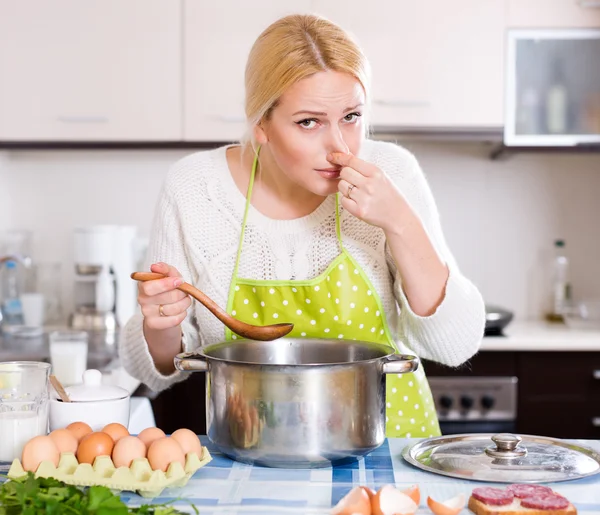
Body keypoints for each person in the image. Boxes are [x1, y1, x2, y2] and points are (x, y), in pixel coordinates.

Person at [119, 13, 485, 438]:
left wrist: (399, 221)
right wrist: (160, 324)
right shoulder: (194, 188)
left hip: (389, 451)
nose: (339, 148)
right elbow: (161, 369)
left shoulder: (391, 173)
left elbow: (454, 345)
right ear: (261, 125)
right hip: (253, 453)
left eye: (351, 116)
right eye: (308, 122)